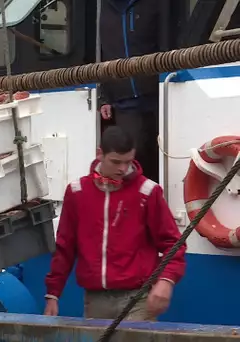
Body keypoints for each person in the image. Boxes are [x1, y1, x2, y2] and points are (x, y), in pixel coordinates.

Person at [43, 126, 186, 321]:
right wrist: (53, 294)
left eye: (128, 162)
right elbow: (65, 246)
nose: (123, 169)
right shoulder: (77, 192)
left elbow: (174, 243)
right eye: (116, 162)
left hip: (138, 298)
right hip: (94, 300)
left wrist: (166, 281)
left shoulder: (148, 192)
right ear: (99, 154)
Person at [98, 0, 174, 182]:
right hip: (123, 102)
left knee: (164, 153)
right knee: (133, 158)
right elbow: (99, 53)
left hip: (159, 93)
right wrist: (104, 97)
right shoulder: (102, 8)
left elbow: (166, 41)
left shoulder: (155, 5)